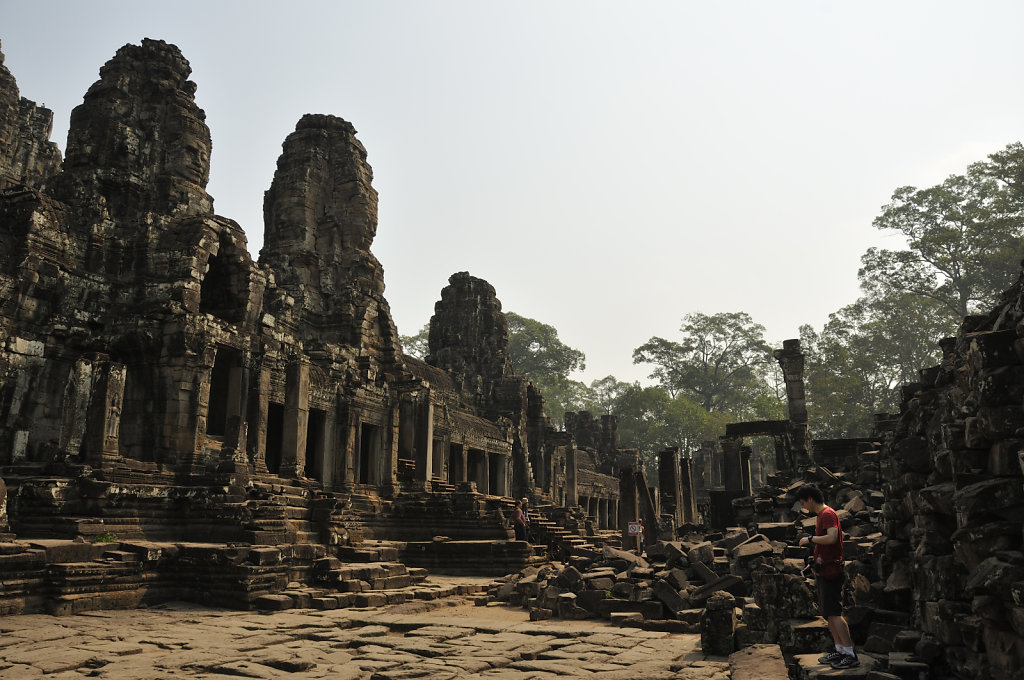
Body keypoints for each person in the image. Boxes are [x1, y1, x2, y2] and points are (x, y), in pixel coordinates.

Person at [796, 484, 858, 670]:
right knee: (829, 614)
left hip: (832, 572)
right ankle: (840, 650)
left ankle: (849, 653)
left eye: (803, 502)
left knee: (836, 614)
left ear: (811, 499)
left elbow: (832, 538)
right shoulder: (821, 516)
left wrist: (810, 539)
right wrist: (813, 563)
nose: (803, 507)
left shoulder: (828, 514)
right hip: (824, 569)